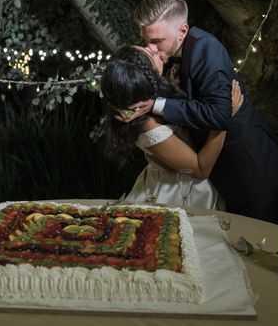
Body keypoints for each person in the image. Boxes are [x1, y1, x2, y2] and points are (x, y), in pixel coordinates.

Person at [125, 0, 278, 224]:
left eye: (157, 41)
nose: (151, 49)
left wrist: (156, 104)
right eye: (146, 41)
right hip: (227, 177)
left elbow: (220, 115)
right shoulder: (179, 52)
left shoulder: (206, 49)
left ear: (182, 30)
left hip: (254, 176)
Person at [101, 46, 243, 209]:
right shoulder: (148, 127)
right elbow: (200, 170)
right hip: (178, 194)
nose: (153, 48)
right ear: (146, 77)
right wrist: (223, 119)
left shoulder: (154, 97)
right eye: (149, 54)